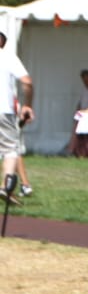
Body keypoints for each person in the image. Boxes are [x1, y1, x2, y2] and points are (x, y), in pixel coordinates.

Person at [0, 32, 33, 202]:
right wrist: (27, 104)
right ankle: (6, 186)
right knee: (11, 149)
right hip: (3, 109)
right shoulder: (7, 57)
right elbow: (27, 82)